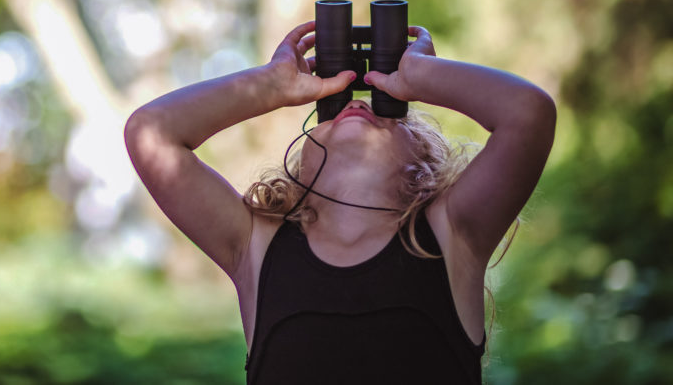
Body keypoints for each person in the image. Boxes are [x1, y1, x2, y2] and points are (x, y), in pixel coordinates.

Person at [123, 20, 556, 384]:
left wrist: (421, 75)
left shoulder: (450, 235)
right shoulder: (257, 246)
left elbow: (528, 114)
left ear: (421, 171)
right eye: (331, 115)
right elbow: (150, 133)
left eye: (389, 113)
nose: (357, 106)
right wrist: (270, 86)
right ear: (301, 170)